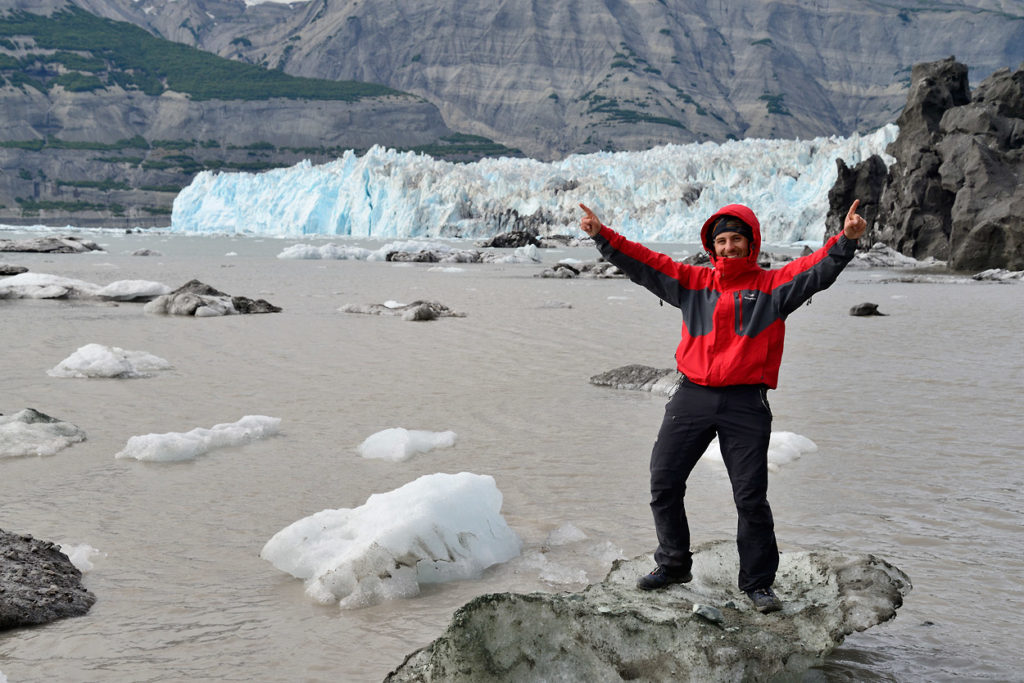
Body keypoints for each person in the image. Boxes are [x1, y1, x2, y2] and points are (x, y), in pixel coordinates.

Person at [578, 199, 868, 614]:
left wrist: (846, 241)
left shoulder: (772, 287)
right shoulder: (692, 282)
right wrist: (602, 236)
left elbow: (816, 270)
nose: (729, 247)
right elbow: (645, 262)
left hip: (745, 402)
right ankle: (674, 564)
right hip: (692, 395)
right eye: (722, 241)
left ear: (750, 245)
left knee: (750, 498)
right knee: (664, 481)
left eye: (736, 240)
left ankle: (758, 584)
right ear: (712, 248)